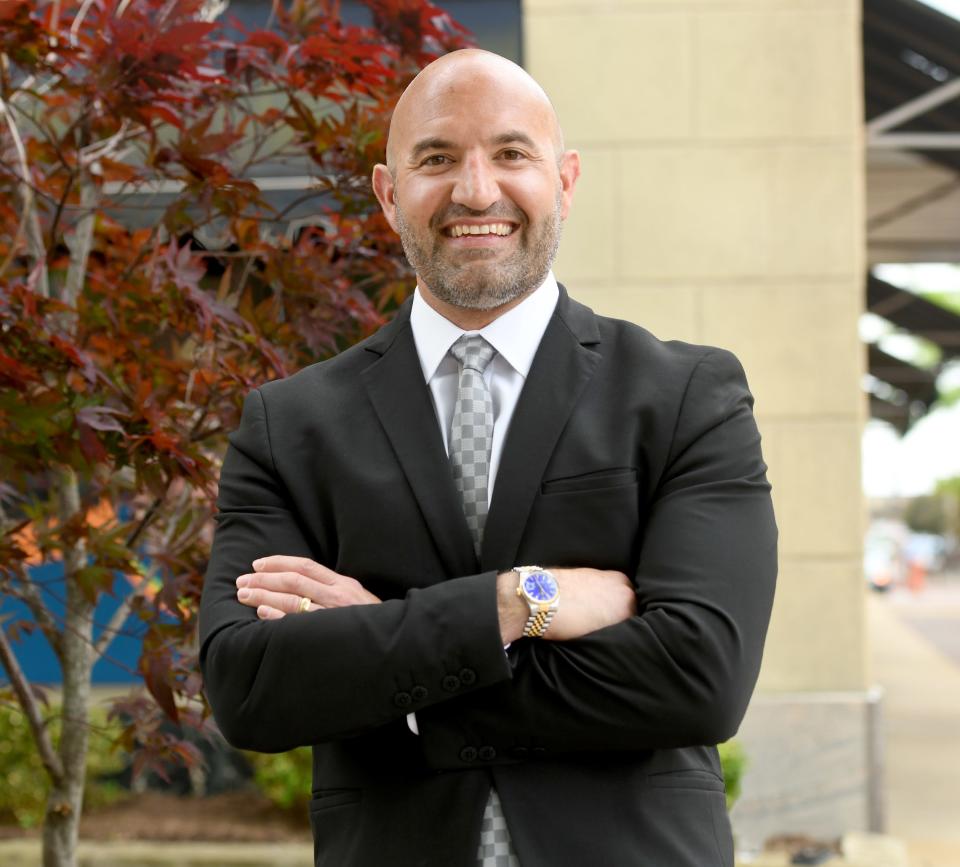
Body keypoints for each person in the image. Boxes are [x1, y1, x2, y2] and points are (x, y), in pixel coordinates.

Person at [199, 48, 778, 867]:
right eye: (437, 158)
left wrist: (386, 659)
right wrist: (517, 602)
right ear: (388, 190)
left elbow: (701, 674)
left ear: (565, 180)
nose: (476, 190)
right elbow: (250, 686)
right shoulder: (288, 425)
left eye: (511, 153)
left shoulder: (686, 395)